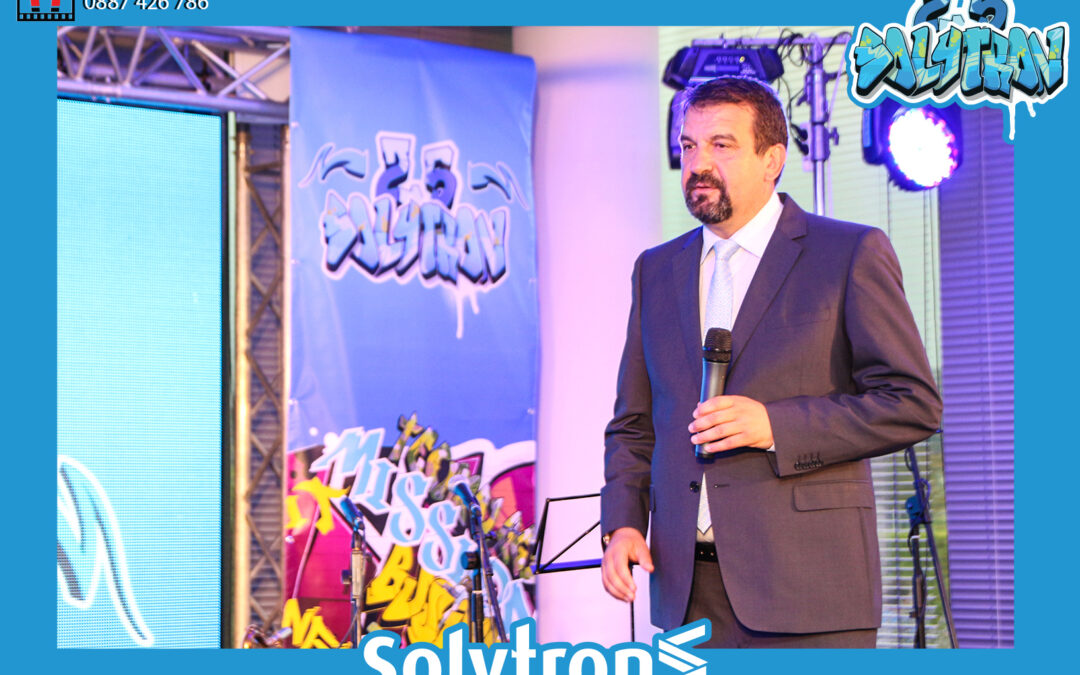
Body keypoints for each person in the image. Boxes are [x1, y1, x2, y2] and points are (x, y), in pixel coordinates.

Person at [599, 76, 942, 648]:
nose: (698, 164)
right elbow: (634, 424)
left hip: (809, 592)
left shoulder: (847, 254)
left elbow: (912, 404)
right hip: (686, 593)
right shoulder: (654, 270)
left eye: (722, 145)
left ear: (772, 160)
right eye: (688, 146)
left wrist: (774, 426)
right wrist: (624, 523)